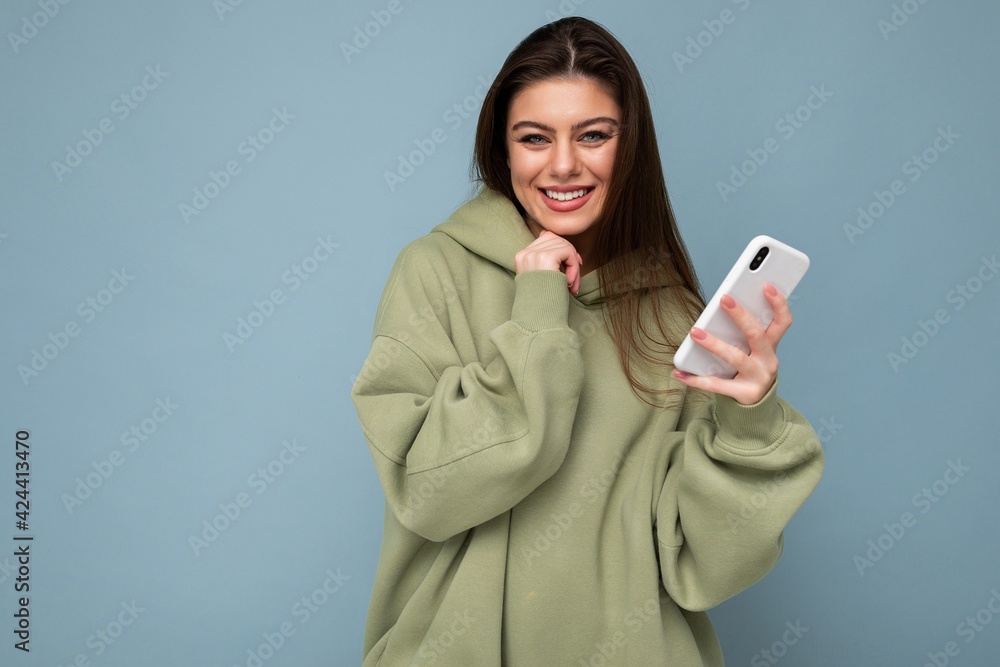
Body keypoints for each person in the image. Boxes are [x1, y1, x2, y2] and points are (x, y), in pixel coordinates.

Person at [350, 16, 824, 666]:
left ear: (629, 148)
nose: (563, 164)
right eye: (534, 138)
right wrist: (540, 311)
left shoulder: (671, 313)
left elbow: (704, 565)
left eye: (594, 135)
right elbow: (428, 493)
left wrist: (748, 420)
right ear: (503, 150)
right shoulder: (435, 273)